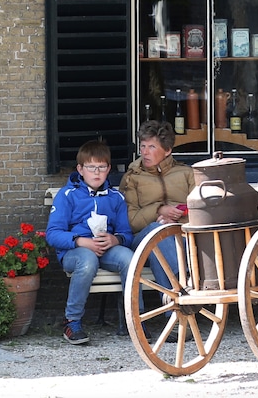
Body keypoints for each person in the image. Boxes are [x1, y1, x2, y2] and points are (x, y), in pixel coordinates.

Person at [46, 139, 134, 345]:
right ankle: (72, 321)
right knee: (87, 260)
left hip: (106, 250)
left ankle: (135, 319)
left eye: (101, 167)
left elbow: (126, 234)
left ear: (108, 169)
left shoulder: (116, 197)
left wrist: (115, 239)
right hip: (75, 253)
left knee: (130, 258)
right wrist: (79, 241)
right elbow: (52, 234)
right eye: (91, 167)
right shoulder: (67, 195)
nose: (96, 172)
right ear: (80, 169)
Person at [120, 120, 194, 290]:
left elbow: (200, 212)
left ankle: (173, 307)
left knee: (160, 246)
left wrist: (176, 221)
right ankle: (184, 281)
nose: (145, 152)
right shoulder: (133, 177)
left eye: (151, 147)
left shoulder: (187, 174)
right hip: (143, 240)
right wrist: (159, 210)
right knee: (158, 232)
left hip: (181, 237)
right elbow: (131, 221)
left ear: (167, 150)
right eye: (143, 146)